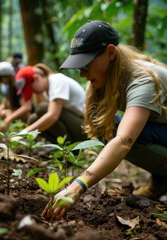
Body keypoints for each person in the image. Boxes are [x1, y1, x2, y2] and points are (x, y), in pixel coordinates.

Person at [42, 20, 167, 220]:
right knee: (108, 127)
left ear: (110, 53)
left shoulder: (142, 79)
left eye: (86, 65)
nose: (82, 74)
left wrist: (77, 186)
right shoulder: (107, 79)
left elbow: (124, 140)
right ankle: (161, 180)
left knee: (121, 131)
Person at [1, 63, 87, 144]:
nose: (33, 92)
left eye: (31, 89)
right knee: (33, 119)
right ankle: (65, 148)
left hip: (84, 128)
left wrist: (23, 133)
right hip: (75, 126)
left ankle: (71, 148)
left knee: (43, 109)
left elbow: (52, 115)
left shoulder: (57, 80)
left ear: (36, 78)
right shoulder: (47, 90)